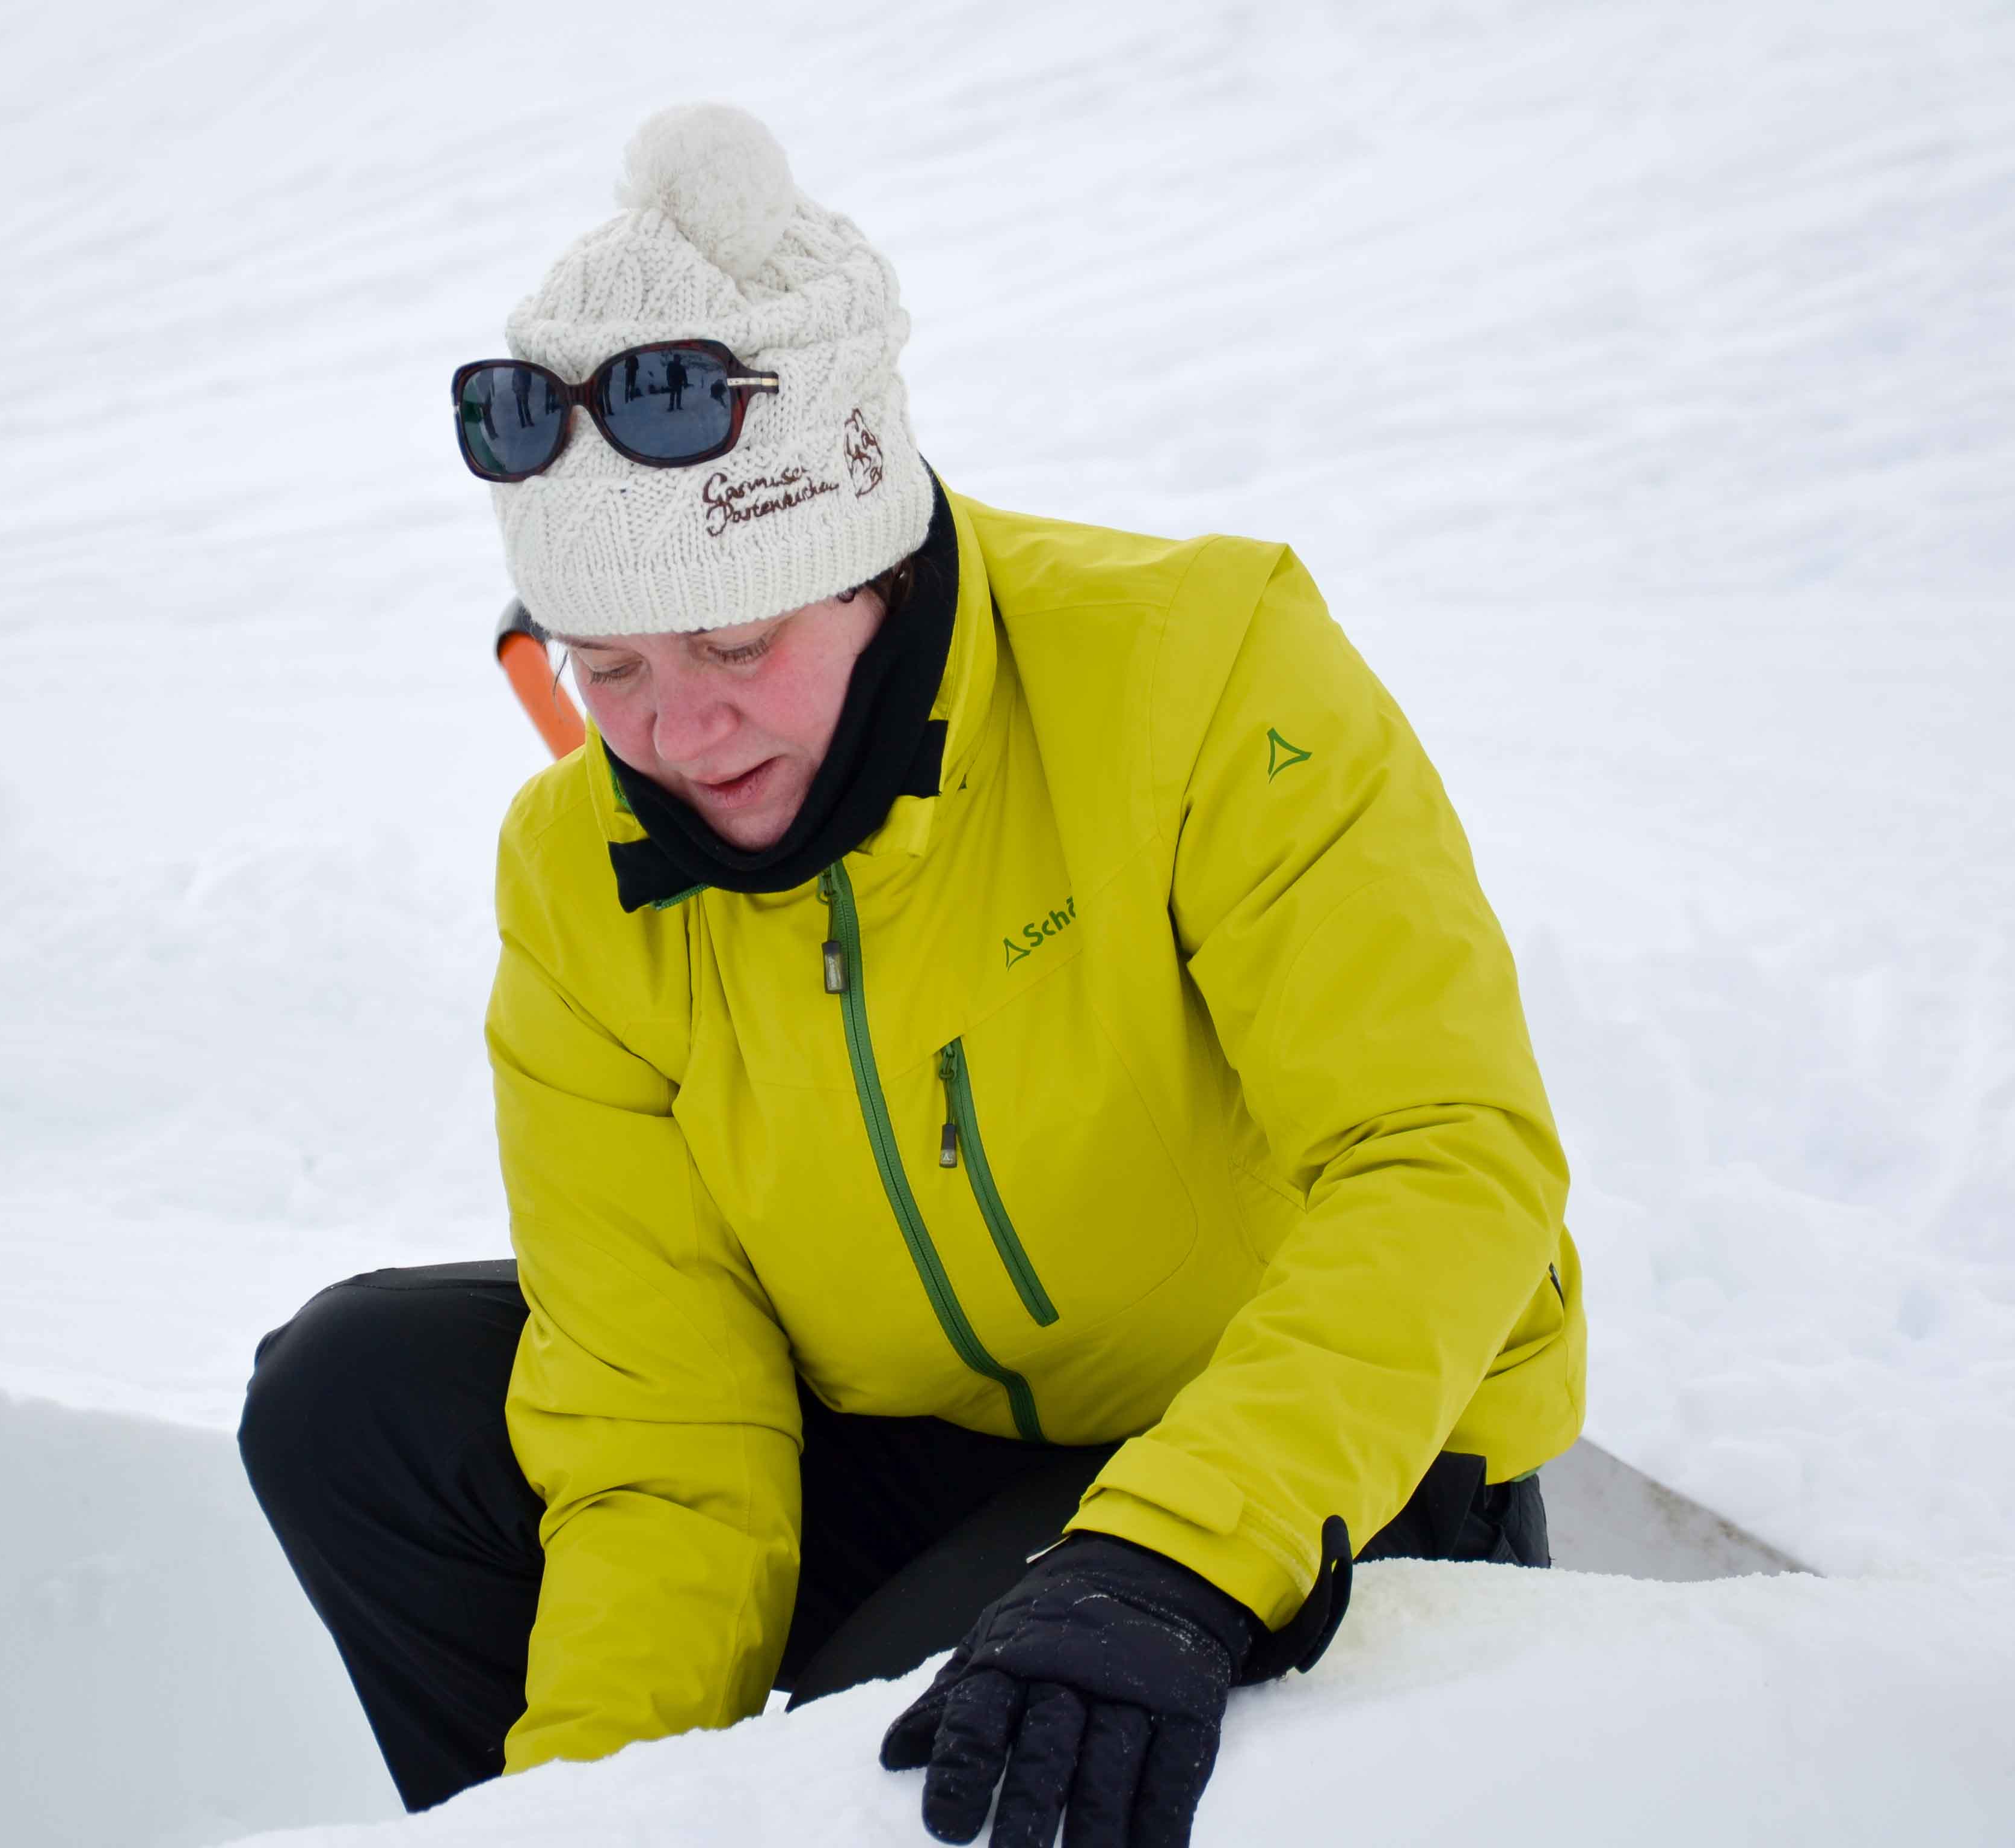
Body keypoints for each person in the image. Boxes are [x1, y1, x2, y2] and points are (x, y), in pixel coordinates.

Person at [241, 103, 1581, 1848]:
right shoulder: (581, 871)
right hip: (927, 1448)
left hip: (1329, 1461)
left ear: (871, 566)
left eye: (734, 644)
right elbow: (662, 1418)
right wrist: (583, 1811)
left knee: (881, 1762)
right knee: (359, 1399)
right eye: (608, 669)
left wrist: (1174, 1553)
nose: (676, 732)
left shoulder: (1200, 671)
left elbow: (1446, 1160)